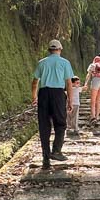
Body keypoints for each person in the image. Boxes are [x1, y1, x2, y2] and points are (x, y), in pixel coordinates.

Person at [31, 39, 74, 169]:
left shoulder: (42, 63)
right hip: (58, 94)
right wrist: (70, 100)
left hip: (43, 94)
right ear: (60, 49)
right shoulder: (65, 63)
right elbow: (68, 83)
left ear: (49, 50)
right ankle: (56, 150)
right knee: (60, 123)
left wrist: (34, 96)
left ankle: (45, 159)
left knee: (44, 126)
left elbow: (35, 82)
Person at [83, 54, 100, 123]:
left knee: (93, 101)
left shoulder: (93, 65)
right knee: (98, 101)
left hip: (96, 81)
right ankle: (97, 117)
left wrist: (86, 84)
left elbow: (88, 75)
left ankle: (93, 117)